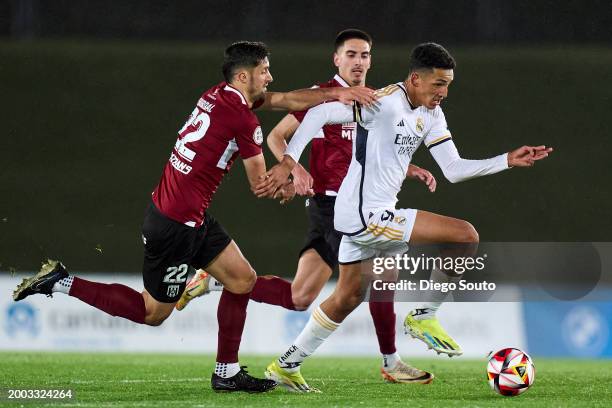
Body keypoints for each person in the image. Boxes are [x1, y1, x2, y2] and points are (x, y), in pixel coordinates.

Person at [12, 41, 375, 393]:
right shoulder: (244, 120)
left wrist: (335, 95)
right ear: (245, 76)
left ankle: (227, 372)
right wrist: (288, 172)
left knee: (242, 280)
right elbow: (260, 185)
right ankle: (61, 281)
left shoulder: (218, 93)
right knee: (152, 312)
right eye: (264, 71)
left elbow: (287, 100)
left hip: (190, 217)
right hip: (174, 227)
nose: (270, 77)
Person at [256, 42, 552, 392]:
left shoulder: (432, 115)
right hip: (367, 216)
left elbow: (453, 169)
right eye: (438, 84)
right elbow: (319, 113)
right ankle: (425, 316)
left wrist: (506, 160)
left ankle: (286, 365)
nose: (444, 92)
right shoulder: (382, 102)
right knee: (465, 235)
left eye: (448, 85)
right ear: (415, 78)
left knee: (348, 297)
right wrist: (290, 162)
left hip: (359, 217)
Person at [176, 29, 437, 388]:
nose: (358, 61)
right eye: (351, 54)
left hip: (352, 205)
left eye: (364, 55)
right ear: (337, 59)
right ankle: (390, 362)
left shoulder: (375, 100)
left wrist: (408, 168)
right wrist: (294, 167)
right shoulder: (318, 97)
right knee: (383, 274)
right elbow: (276, 136)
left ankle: (217, 282)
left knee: (299, 297)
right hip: (334, 206)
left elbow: (371, 157)